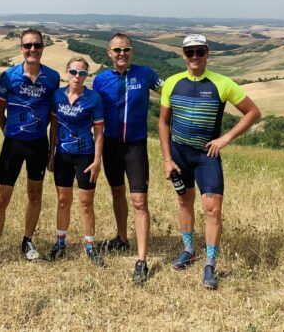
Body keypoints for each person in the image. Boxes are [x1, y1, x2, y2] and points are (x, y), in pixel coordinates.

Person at [158, 34, 261, 290]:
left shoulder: (221, 83)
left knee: (212, 208)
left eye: (199, 52)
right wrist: (167, 159)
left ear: (207, 53)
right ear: (183, 54)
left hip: (207, 155)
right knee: (184, 201)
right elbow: (163, 122)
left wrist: (225, 138)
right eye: (190, 52)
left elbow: (253, 112)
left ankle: (210, 264)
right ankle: (189, 250)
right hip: (179, 154)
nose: (194, 57)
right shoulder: (172, 83)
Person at [0, 28, 60, 271]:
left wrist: (52, 151)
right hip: (13, 144)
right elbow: (0, 112)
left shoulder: (53, 78)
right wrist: (10, 132)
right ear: (21, 49)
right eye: (28, 46)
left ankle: (27, 241)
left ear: (43, 48)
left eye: (36, 45)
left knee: (35, 195)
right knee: (1, 198)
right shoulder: (8, 77)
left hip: (39, 144)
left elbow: (54, 117)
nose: (32, 49)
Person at [92, 33, 163, 284]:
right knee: (117, 193)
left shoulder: (145, 74)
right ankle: (122, 239)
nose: (122, 54)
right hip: (110, 145)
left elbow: (169, 92)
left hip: (135, 145)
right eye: (117, 50)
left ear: (132, 52)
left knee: (140, 200)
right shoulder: (100, 80)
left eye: (127, 49)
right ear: (109, 53)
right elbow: (92, 112)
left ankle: (141, 260)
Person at [46, 57, 105, 266]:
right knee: (63, 200)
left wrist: (97, 160)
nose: (77, 77)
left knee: (86, 203)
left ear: (87, 76)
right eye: (73, 72)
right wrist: (51, 153)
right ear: (67, 72)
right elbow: (53, 126)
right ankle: (60, 243)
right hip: (62, 154)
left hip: (85, 155)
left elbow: (99, 132)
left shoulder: (94, 99)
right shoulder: (57, 96)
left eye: (82, 73)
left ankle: (90, 246)